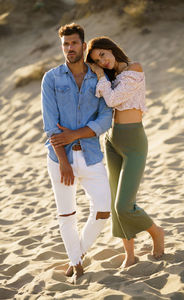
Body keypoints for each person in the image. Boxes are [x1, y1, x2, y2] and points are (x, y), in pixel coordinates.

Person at [41, 25, 112, 281]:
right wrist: (64, 162)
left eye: (74, 43)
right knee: (67, 214)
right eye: (65, 44)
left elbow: (106, 118)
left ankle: (77, 255)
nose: (69, 48)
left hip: (92, 154)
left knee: (103, 209)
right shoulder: (51, 78)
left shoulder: (99, 78)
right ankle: (76, 263)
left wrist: (74, 134)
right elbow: (51, 125)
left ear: (83, 45)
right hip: (60, 158)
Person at [86, 36, 164, 268]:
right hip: (112, 140)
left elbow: (112, 100)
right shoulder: (110, 79)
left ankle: (156, 231)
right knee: (114, 204)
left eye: (102, 54)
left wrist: (100, 76)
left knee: (124, 204)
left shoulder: (134, 69)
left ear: (111, 49)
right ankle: (130, 255)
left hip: (134, 141)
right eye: (97, 60)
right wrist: (101, 77)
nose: (102, 61)